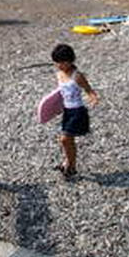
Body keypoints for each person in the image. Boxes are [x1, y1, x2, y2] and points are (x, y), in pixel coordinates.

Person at [51, 44, 99, 178]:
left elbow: (89, 90)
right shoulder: (59, 74)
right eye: (56, 62)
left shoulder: (77, 76)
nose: (59, 65)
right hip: (67, 111)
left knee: (65, 139)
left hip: (77, 112)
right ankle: (69, 164)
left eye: (62, 62)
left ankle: (70, 164)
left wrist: (93, 98)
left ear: (70, 61)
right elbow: (61, 93)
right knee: (68, 140)